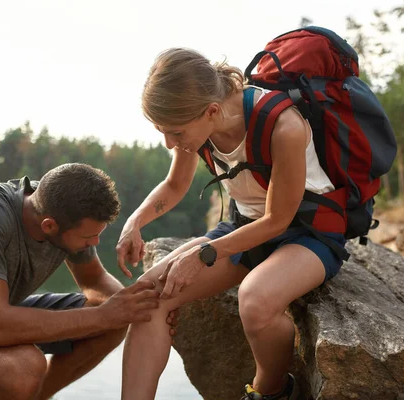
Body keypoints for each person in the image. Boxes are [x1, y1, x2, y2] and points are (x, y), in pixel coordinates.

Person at [116, 48, 347, 400]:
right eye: (163, 132)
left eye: (174, 133)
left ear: (211, 111)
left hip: (307, 233)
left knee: (254, 300)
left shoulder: (283, 125)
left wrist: (203, 254)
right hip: (244, 228)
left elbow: (277, 220)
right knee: (149, 296)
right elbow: (176, 185)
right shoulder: (197, 119)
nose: (169, 143)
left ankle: (271, 391)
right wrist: (135, 221)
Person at [0, 163, 173, 400]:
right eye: (88, 238)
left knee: (112, 322)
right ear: (49, 225)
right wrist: (102, 315)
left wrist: (132, 305)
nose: (95, 243)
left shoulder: (63, 206)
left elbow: (95, 281)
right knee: (23, 369)